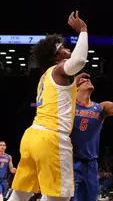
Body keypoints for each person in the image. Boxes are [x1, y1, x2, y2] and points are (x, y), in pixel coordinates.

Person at [8, 11, 89, 201]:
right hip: (51, 138)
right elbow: (79, 61)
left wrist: (73, 85)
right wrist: (83, 31)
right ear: (55, 56)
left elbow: (58, 98)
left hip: (32, 137)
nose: (67, 49)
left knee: (20, 195)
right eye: (63, 47)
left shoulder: (46, 77)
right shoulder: (60, 69)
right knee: (58, 197)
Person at [70, 74, 113, 201]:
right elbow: (60, 94)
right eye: (83, 81)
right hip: (71, 162)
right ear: (76, 88)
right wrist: (73, 82)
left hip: (91, 164)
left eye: (88, 79)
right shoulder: (69, 105)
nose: (87, 80)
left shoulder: (101, 107)